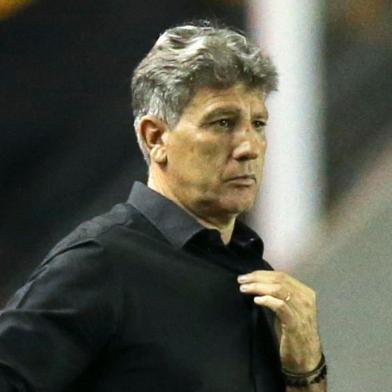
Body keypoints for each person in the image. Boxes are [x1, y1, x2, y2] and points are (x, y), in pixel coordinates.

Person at [0, 21, 327, 391]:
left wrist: (306, 373)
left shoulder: (254, 274)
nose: (249, 146)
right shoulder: (100, 263)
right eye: (222, 122)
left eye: (258, 124)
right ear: (155, 137)